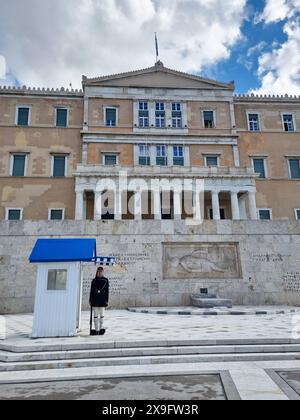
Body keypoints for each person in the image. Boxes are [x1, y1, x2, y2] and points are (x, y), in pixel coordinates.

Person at [89, 266, 109, 336]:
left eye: (101, 271)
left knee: (102, 316)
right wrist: (90, 300)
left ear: (103, 272)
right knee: (95, 316)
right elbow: (91, 291)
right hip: (95, 300)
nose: (100, 273)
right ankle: (96, 330)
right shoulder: (94, 281)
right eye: (98, 271)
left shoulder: (105, 280)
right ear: (97, 272)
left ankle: (100, 329)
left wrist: (106, 300)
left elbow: (107, 292)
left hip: (102, 300)